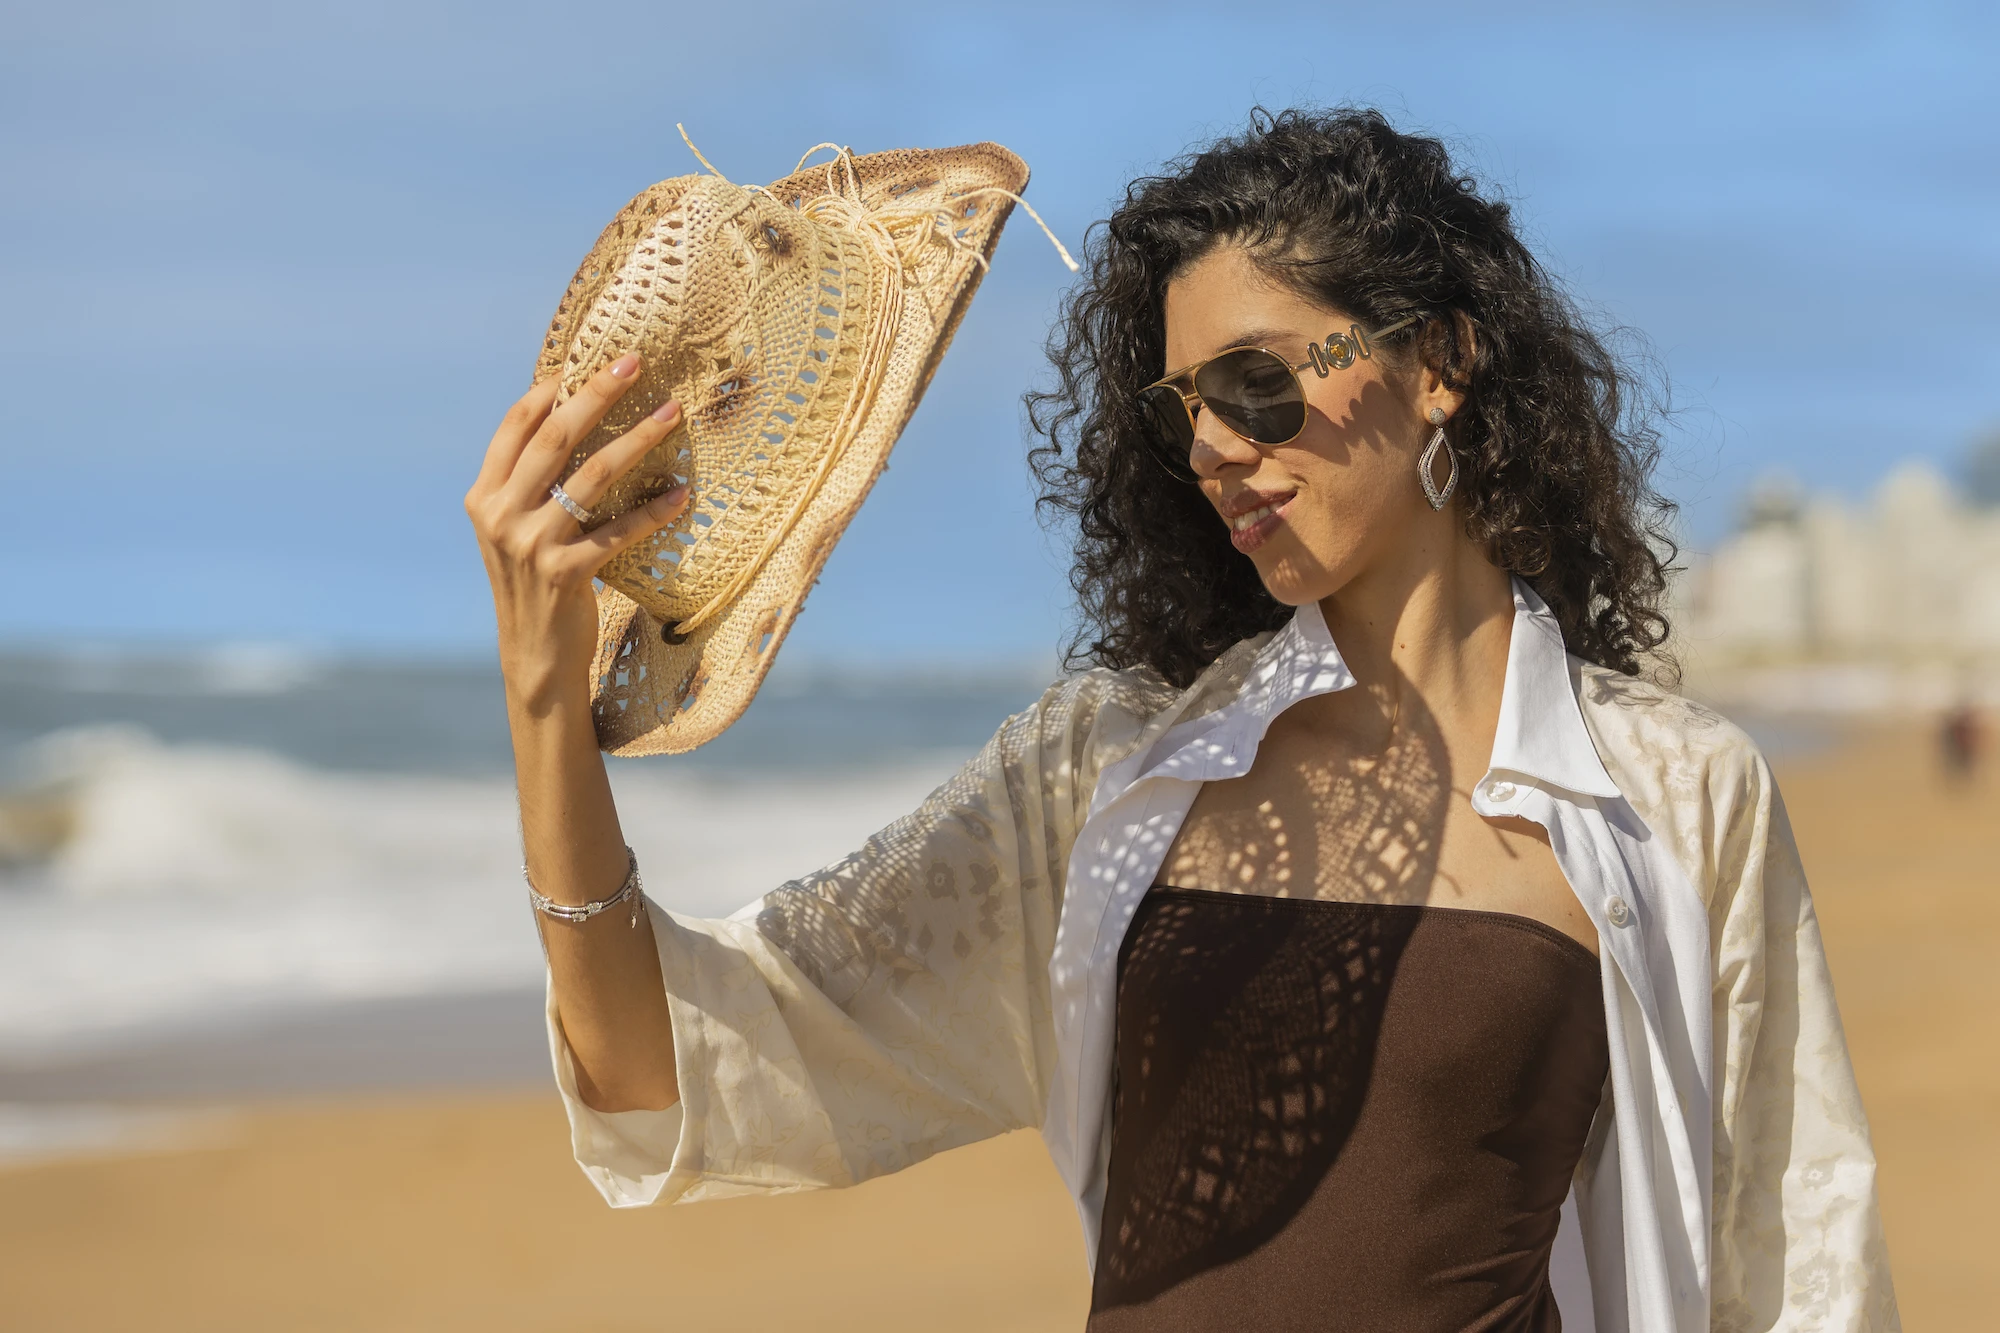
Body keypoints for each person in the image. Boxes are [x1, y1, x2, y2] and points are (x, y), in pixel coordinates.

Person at [465, 108, 1896, 1332]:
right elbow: (672, 1064)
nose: (1215, 446)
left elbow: (1800, 1254)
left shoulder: (1665, 792)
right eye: (1181, 413)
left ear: (1440, 362)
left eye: (1260, 386)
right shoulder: (1103, 781)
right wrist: (545, 698)